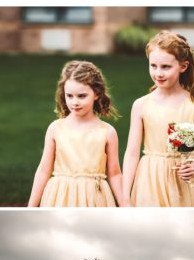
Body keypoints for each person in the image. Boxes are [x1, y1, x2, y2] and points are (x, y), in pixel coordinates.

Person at [122, 31, 194, 207]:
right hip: (151, 180)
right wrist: (125, 193)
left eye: (166, 67)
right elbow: (132, 153)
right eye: (153, 66)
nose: (158, 73)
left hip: (185, 183)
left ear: (183, 66)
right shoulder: (141, 105)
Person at [29, 61, 126, 207]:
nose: (75, 102)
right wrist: (31, 207)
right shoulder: (55, 128)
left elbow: (115, 174)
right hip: (60, 197)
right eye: (70, 96)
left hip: (95, 199)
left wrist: (126, 205)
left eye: (81, 96)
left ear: (97, 94)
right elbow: (43, 170)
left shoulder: (107, 132)